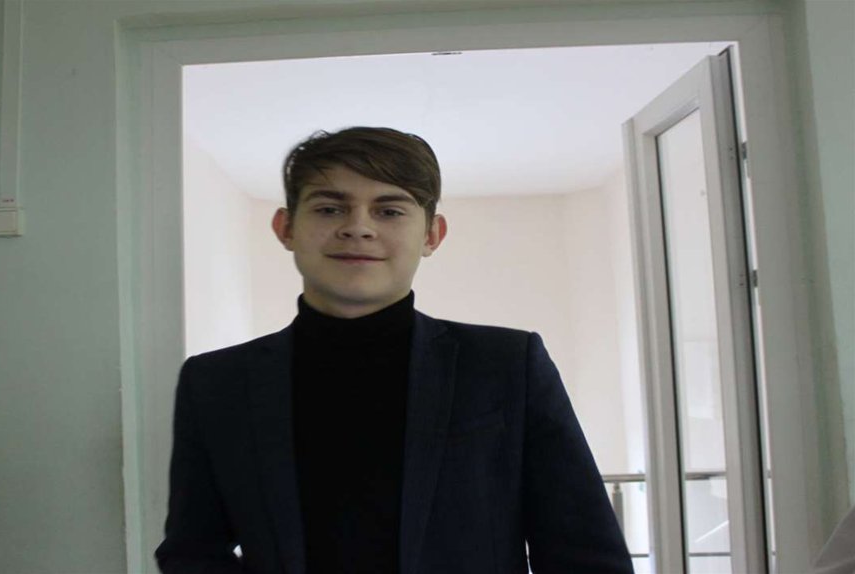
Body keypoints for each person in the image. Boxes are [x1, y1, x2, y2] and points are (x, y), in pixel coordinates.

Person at [154, 127, 634, 574]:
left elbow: (584, 552)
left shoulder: (507, 364)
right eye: (329, 208)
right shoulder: (216, 382)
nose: (358, 228)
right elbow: (193, 552)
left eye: (389, 210)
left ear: (431, 235)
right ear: (286, 228)